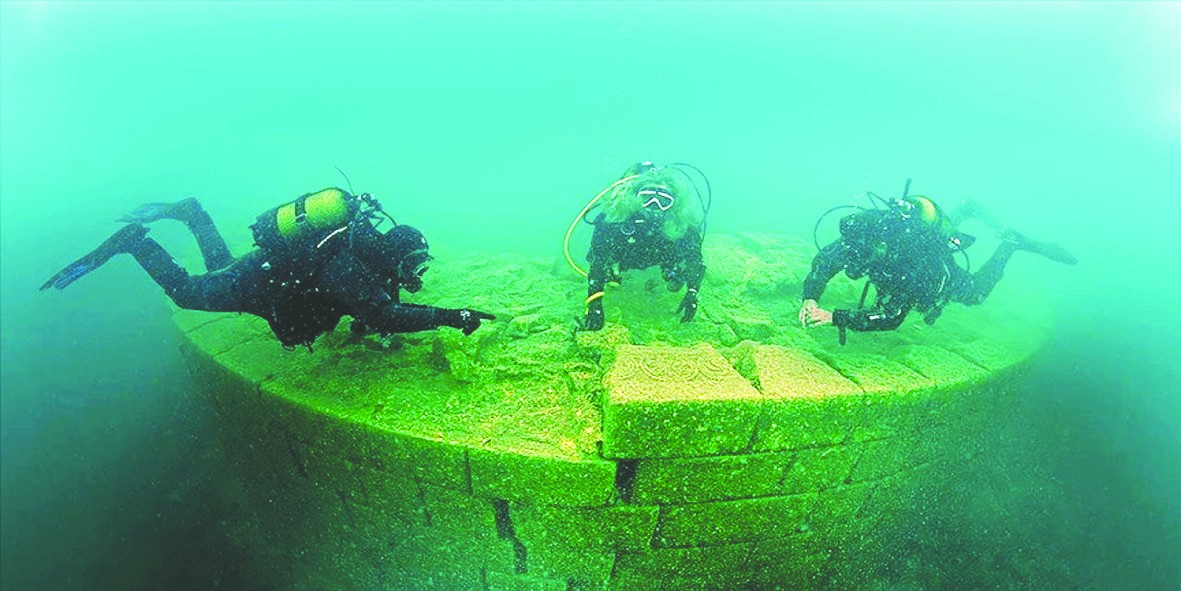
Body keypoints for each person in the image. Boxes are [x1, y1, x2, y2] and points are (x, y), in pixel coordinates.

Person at [40, 188, 495, 350]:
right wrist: (452, 317)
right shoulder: (344, 264)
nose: (414, 275)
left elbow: (371, 312)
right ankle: (135, 242)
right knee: (185, 291)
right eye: (412, 265)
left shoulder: (359, 256)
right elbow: (382, 316)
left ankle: (194, 212)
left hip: (266, 277)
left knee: (220, 265)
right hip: (261, 283)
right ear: (392, 253)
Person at [799, 192, 1076, 341]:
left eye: (859, 254)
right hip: (917, 246)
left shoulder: (912, 266)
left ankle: (1010, 244)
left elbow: (891, 317)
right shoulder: (866, 233)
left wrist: (834, 317)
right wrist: (811, 296)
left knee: (976, 293)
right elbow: (826, 261)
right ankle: (964, 209)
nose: (851, 260)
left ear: (881, 249)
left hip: (936, 272)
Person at [576, 161, 708, 331]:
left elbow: (694, 258)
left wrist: (692, 292)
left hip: (661, 258)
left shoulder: (682, 225)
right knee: (606, 269)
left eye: (663, 200)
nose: (655, 205)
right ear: (634, 197)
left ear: (674, 204)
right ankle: (614, 273)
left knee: (677, 279)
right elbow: (598, 260)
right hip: (623, 259)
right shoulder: (614, 220)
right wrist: (594, 302)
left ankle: (669, 272)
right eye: (647, 197)